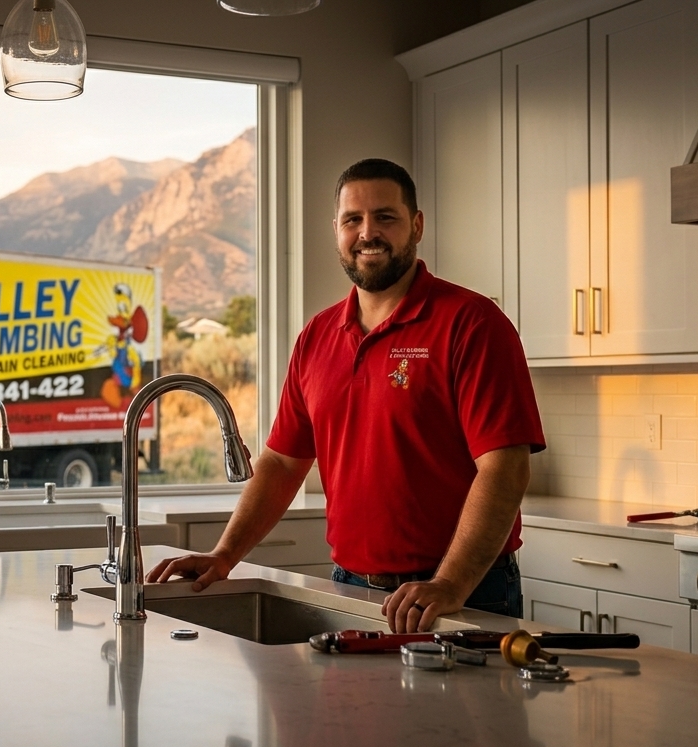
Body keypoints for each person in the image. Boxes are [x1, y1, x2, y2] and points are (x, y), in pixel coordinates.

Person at [146, 158, 545, 633]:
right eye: (353, 220)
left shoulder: (473, 323)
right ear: (336, 229)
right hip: (351, 587)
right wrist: (224, 555)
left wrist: (450, 585)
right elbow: (281, 463)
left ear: (416, 225)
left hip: (460, 591)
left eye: (386, 217)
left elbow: (505, 467)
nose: (368, 233)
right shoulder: (317, 336)